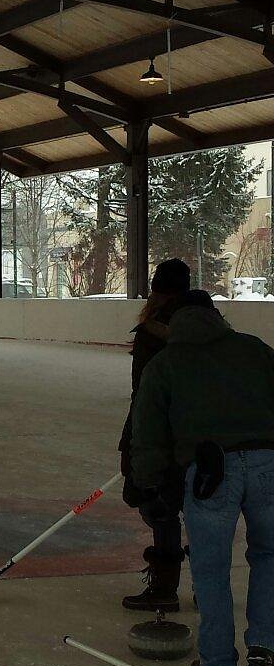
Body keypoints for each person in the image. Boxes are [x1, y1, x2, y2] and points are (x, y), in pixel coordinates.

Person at [130, 291, 274, 666]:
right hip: (268, 465)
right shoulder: (255, 350)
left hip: (211, 471)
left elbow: (148, 432)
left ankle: (218, 664)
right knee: (270, 553)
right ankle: (266, 643)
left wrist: (151, 483)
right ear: (217, 316)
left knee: (211, 568)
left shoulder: (166, 363)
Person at [119, 258, 191, 612]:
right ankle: (207, 585)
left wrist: (133, 446)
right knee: (198, 508)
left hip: (163, 437)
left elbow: (144, 397)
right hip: (204, 438)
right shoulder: (211, 328)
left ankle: (165, 584)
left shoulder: (153, 333)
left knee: (157, 507)